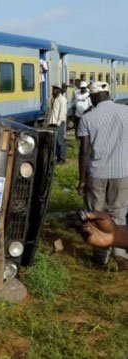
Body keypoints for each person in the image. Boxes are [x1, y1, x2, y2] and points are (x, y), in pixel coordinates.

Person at [76, 81, 128, 270]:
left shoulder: (87, 118)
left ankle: (100, 256)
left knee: (96, 214)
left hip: (97, 173)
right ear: (108, 93)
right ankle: (120, 253)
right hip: (123, 172)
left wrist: (82, 180)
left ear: (94, 96)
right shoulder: (126, 111)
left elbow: (84, 151)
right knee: (119, 211)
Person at [45, 83, 68, 164]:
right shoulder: (52, 99)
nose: (54, 90)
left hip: (59, 123)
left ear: (59, 90)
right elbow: (48, 110)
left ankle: (62, 158)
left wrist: (57, 123)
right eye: (53, 88)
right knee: (53, 141)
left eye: (56, 89)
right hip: (51, 122)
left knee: (59, 141)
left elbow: (62, 113)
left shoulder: (62, 100)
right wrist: (47, 122)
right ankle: (54, 157)